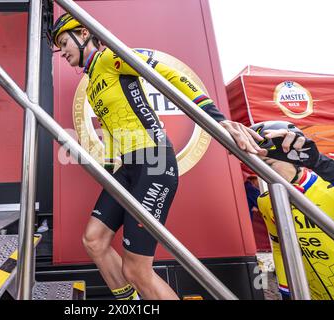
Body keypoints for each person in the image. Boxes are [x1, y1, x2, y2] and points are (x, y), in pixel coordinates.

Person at [51, 13, 264, 300]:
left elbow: (169, 75)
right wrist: (114, 165)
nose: (62, 51)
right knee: (94, 240)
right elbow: (114, 132)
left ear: (84, 34)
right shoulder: (91, 86)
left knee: (137, 271)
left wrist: (216, 119)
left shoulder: (110, 57)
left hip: (154, 163)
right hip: (128, 168)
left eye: (64, 42)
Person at [251, 120, 334, 300]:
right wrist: (286, 292)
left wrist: (318, 161)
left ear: (295, 160)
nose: (263, 173)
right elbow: (279, 248)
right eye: (256, 166)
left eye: (268, 164)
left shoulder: (329, 188)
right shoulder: (266, 201)